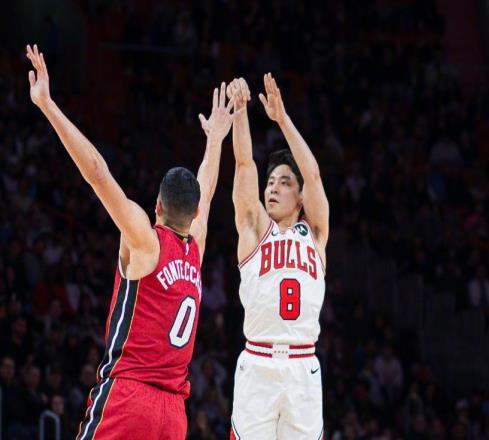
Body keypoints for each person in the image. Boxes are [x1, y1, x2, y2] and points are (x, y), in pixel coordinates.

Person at [26, 44, 239, 439]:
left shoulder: (146, 241)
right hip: (173, 415)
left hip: (129, 397)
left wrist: (48, 105)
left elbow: (98, 174)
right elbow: (207, 190)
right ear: (194, 213)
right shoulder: (196, 245)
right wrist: (215, 139)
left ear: (156, 205)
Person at [227, 74, 329, 439]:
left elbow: (313, 175)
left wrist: (282, 120)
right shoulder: (255, 229)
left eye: (284, 182)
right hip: (258, 363)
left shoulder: (315, 233)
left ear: (300, 197)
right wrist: (241, 112)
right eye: (270, 182)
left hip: (303, 366)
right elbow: (244, 165)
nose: (272, 188)